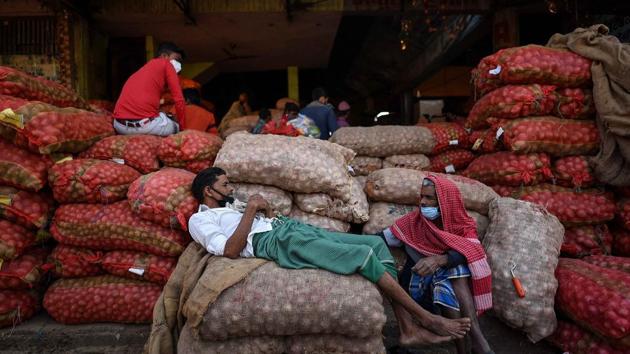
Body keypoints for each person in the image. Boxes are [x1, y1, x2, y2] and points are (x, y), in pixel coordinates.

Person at [188, 167, 472, 348]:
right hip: (277, 242)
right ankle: (427, 319)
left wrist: (266, 212)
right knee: (362, 257)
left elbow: (261, 220)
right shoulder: (200, 220)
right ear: (208, 192)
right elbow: (231, 250)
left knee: (374, 243)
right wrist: (250, 211)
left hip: (288, 228)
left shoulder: (232, 206)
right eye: (225, 186)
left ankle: (408, 329)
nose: (231, 189)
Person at [381, 175, 494, 354]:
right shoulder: (412, 223)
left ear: (443, 201)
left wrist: (438, 259)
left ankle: (466, 345)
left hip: (445, 292)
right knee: (451, 271)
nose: (423, 202)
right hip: (418, 290)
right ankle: (476, 339)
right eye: (422, 197)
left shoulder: (462, 225)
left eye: (429, 198)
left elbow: (474, 251)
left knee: (449, 277)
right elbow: (379, 240)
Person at [113, 42, 186, 136]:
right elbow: (179, 100)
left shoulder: (142, 71)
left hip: (119, 126)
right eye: (177, 60)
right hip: (145, 127)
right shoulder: (166, 64)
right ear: (164, 56)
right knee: (175, 126)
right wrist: (182, 129)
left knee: (162, 114)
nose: (179, 65)